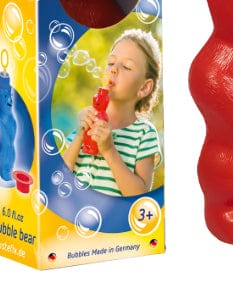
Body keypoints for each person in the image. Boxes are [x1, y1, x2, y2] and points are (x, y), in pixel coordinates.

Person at [63, 28, 162, 196]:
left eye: (126, 66)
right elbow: (59, 177)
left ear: (144, 88)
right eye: (111, 63)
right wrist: (79, 136)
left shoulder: (144, 134)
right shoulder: (87, 120)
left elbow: (139, 197)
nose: (114, 69)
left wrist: (109, 150)